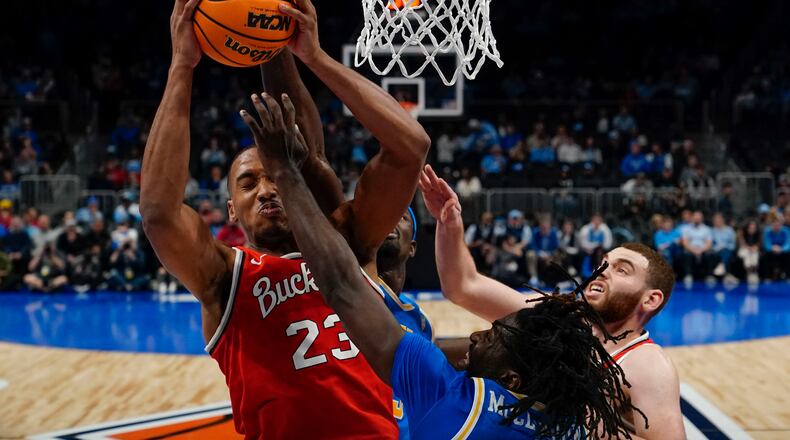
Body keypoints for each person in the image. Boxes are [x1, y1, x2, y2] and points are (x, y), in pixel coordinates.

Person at [251, 96, 638, 439]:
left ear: (511, 380)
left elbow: (341, 283)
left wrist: (284, 168)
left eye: (491, 337)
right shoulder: (568, 424)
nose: (474, 336)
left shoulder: (454, 397)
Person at [140, 0, 429, 437]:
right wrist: (181, 66)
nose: (267, 189)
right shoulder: (225, 275)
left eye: (274, 175)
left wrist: (313, 56)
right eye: (248, 182)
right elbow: (158, 214)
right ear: (231, 209)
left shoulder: (349, 241)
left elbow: (410, 147)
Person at [418, 164, 684, 439]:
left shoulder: (648, 364)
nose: (603, 271)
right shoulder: (558, 323)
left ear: (651, 299)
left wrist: (585, 428)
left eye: (622, 270)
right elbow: (463, 286)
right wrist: (449, 223)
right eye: (604, 263)